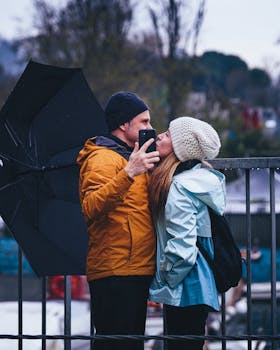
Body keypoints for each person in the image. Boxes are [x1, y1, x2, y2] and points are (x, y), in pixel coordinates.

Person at [77, 91, 160, 350]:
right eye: (143, 122)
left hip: (136, 268)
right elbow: (91, 206)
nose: (151, 127)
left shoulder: (133, 157)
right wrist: (129, 173)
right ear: (124, 124)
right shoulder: (102, 158)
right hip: (115, 270)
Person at [148, 116, 226, 350]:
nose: (160, 135)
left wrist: (166, 279)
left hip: (185, 287)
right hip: (199, 285)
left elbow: (182, 247)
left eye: (169, 134)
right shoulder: (199, 180)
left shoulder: (180, 188)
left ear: (180, 149)